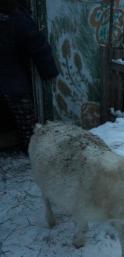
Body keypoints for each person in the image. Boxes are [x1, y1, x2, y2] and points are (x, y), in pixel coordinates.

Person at [0, 0, 58, 152]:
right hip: (13, 80)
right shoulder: (18, 17)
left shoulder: (16, 18)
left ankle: (28, 146)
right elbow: (38, 45)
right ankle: (30, 148)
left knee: (22, 118)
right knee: (26, 120)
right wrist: (49, 72)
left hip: (10, 76)